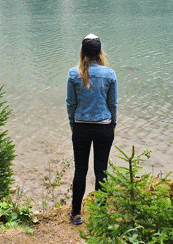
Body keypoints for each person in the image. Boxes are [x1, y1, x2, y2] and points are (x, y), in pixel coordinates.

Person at [66, 33, 118, 225]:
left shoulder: (73, 74)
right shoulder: (110, 74)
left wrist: (73, 123)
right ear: (100, 52)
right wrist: (113, 125)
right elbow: (113, 104)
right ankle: (101, 214)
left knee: (80, 170)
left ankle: (76, 214)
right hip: (104, 127)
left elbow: (70, 103)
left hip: (81, 128)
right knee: (101, 170)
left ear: (82, 51)